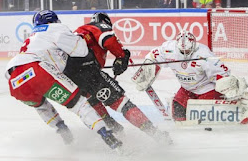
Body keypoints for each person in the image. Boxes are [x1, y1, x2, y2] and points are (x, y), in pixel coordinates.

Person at [5, 10, 122, 149]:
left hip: (14, 80)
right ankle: (109, 138)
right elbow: (82, 51)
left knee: (41, 105)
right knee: (79, 104)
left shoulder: (32, 37)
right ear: (53, 20)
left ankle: (64, 133)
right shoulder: (55, 28)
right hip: (37, 70)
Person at [62, 12, 173, 144]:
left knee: (93, 104)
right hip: (88, 73)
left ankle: (115, 134)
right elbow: (108, 39)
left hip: (69, 78)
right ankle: (154, 133)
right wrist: (121, 56)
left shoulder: (78, 32)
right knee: (122, 103)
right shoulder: (98, 26)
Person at [134, 31, 248, 124]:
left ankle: (245, 109)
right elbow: (154, 55)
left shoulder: (203, 54)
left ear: (193, 46)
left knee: (208, 117)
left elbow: (222, 73)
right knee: (177, 113)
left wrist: (227, 86)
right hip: (187, 88)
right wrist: (147, 68)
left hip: (206, 88)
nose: (185, 54)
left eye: (188, 52)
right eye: (182, 52)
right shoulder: (169, 49)